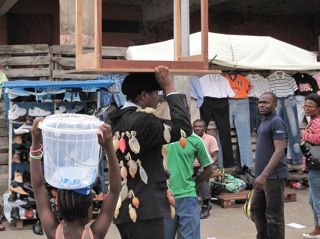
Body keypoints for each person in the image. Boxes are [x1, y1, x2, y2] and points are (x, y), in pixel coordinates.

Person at [108, 66, 192, 239]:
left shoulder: (115, 118)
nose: (159, 99)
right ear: (144, 95)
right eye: (156, 93)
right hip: (145, 207)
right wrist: (169, 88)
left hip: (123, 206)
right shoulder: (143, 121)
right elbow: (183, 129)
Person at [29, 118, 121, 239]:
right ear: (90, 211)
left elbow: (38, 186)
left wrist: (35, 143)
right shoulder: (94, 235)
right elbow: (114, 191)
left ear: (59, 207)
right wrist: (109, 148)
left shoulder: (54, 233)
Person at [250, 92, 289, 239]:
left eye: (265, 102)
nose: (261, 105)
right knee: (256, 209)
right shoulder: (264, 121)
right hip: (262, 176)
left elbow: (279, 150)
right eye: (260, 102)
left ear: (274, 104)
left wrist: (264, 174)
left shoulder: (276, 121)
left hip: (273, 176)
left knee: (274, 216)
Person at [164, 133, 214, 239]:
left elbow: (209, 169)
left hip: (187, 198)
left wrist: (194, 184)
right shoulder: (159, 136)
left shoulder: (195, 140)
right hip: (163, 199)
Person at [300, 93, 320, 238]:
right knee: (313, 200)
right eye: (305, 105)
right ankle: (317, 228)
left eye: (310, 106)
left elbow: (318, 138)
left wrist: (304, 135)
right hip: (314, 165)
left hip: (317, 166)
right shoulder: (313, 121)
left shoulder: (318, 122)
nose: (306, 108)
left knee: (317, 201)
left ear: (318, 108)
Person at [193, 119, 219, 219]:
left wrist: (206, 166)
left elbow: (215, 156)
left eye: (200, 126)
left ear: (205, 128)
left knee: (202, 177)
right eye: (195, 126)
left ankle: (205, 205)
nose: (198, 128)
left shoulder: (210, 139)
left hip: (204, 166)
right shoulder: (189, 139)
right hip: (190, 166)